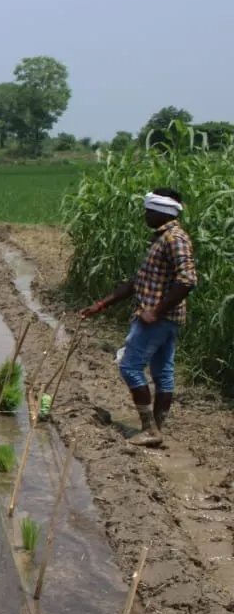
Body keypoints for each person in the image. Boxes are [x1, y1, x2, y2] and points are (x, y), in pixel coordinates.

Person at [81, 189, 198, 447]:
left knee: (130, 367)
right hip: (165, 320)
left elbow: (187, 281)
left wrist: (155, 311)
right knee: (162, 373)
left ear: (162, 211)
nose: (145, 215)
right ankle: (156, 429)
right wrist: (101, 304)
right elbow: (137, 283)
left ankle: (150, 429)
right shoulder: (162, 239)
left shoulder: (174, 238)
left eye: (148, 210)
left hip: (157, 320)